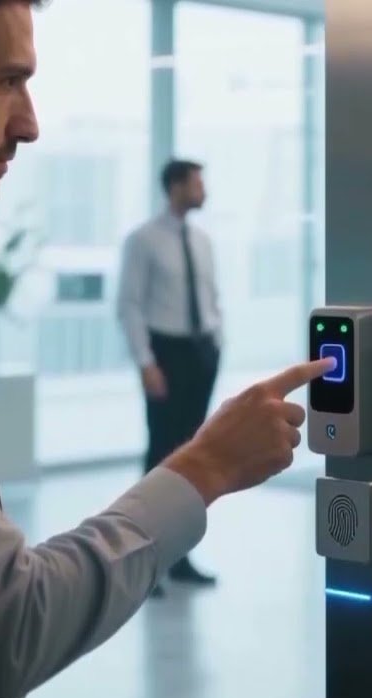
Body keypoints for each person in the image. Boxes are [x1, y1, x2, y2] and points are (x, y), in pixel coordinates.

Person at [0, 2, 331, 698]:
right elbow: (5, 626)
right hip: (165, 353)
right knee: (169, 448)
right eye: (9, 80)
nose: (29, 123)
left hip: (200, 347)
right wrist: (207, 468)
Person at [117, 158, 221, 594]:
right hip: (166, 353)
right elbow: (129, 305)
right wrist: (146, 362)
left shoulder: (201, 240)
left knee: (191, 453)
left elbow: (211, 296)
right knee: (162, 455)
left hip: (201, 350)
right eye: (197, 183)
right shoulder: (143, 240)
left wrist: (217, 341)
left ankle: (179, 558)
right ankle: (149, 562)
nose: (204, 191)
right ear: (176, 187)